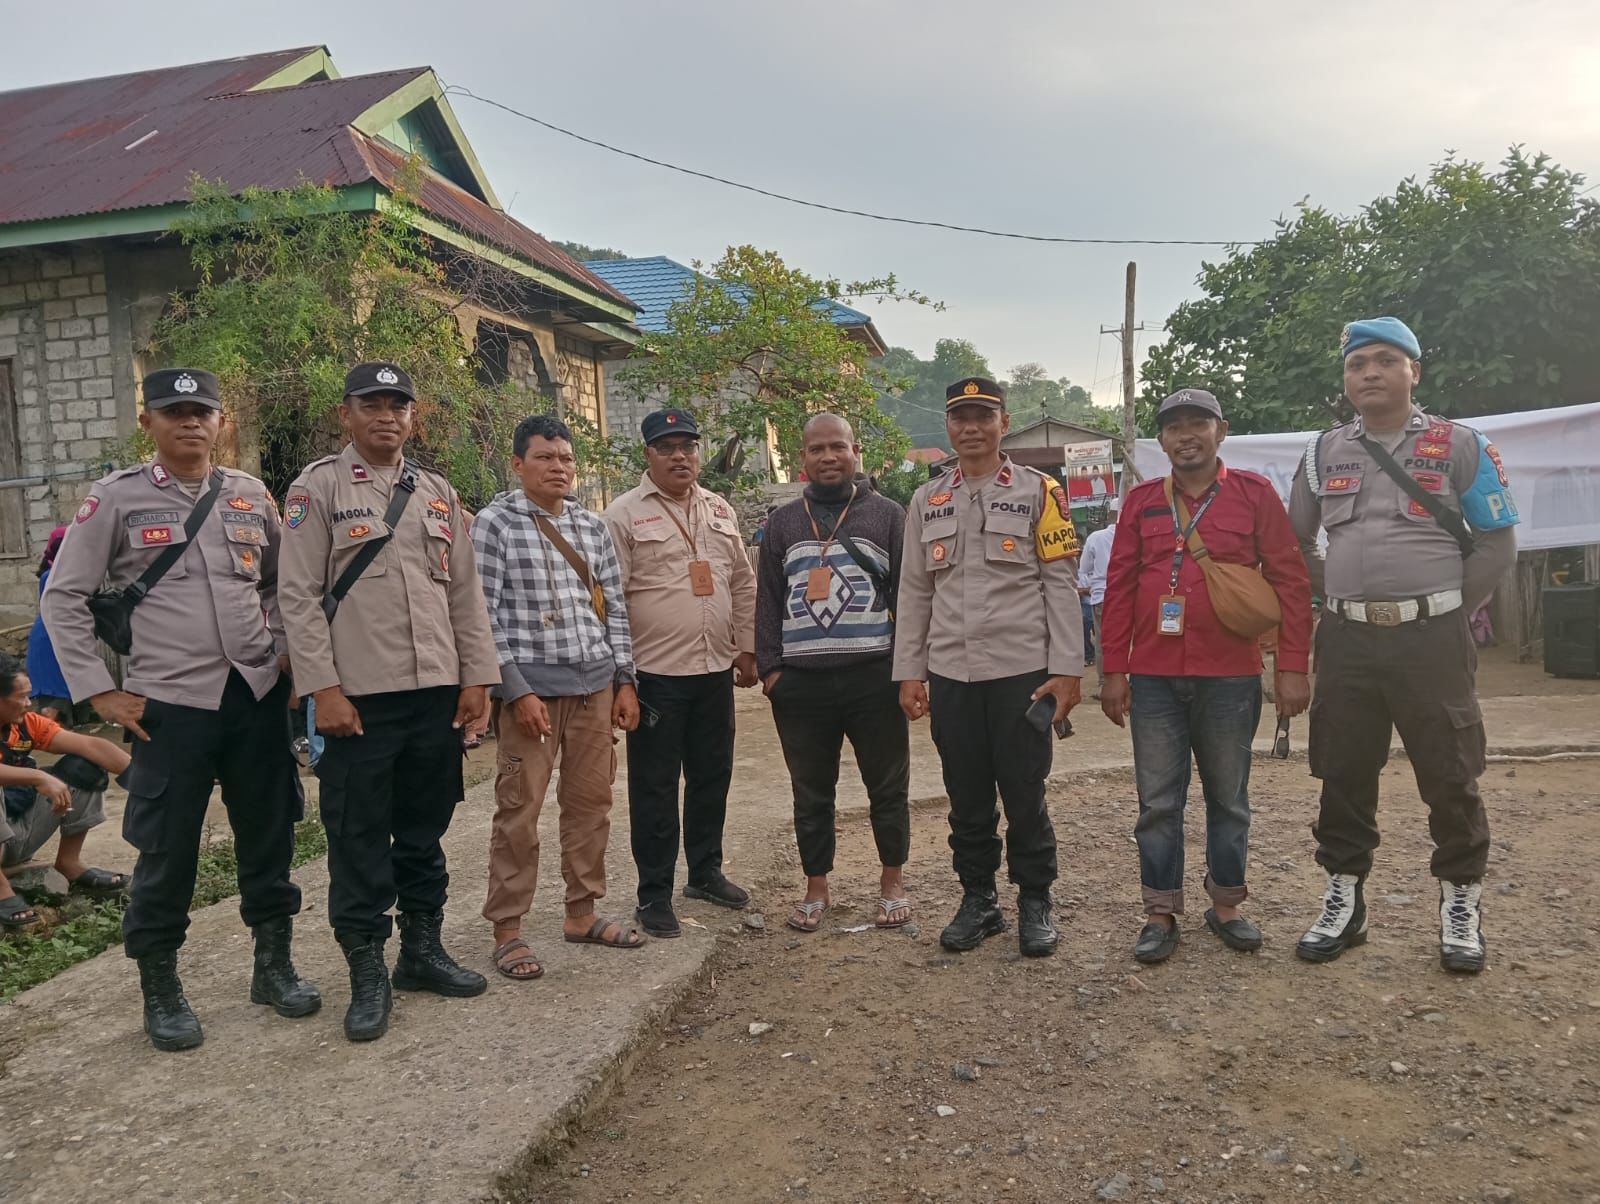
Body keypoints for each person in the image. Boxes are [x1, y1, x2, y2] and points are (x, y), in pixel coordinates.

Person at [41, 368, 318, 1051]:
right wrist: (97, 690)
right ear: (150, 423)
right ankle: (161, 989)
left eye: (202, 411)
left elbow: (285, 585)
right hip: (166, 704)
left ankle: (273, 966)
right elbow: (64, 597)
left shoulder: (251, 495)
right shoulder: (116, 499)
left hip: (252, 697)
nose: (190, 422)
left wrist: (284, 654)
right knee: (167, 849)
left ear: (222, 421)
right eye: (175, 412)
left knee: (269, 834)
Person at [1289, 318, 1518, 974]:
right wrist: (1344, 596)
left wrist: (1445, 607)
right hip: (1347, 638)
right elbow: (1296, 541)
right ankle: (1343, 900)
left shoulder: (1460, 445)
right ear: (1346, 376)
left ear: (1414, 370)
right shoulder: (1321, 452)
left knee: (1450, 773)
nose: (1369, 373)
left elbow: (1498, 540)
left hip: (1432, 642)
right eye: (1358, 363)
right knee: (1342, 771)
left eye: (1386, 360)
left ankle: (1459, 905)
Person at [278, 361, 499, 1041]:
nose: (386, 416)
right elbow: (298, 597)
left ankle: (422, 952)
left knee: (425, 830)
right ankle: (367, 971)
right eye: (371, 404)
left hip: (433, 696)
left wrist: (476, 679)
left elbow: (463, 593)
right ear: (345, 414)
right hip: (358, 702)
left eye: (397, 405)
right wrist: (324, 690)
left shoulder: (435, 492)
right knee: (358, 838)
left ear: (414, 416)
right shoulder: (317, 489)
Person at [1099, 389, 1313, 963]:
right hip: (1153, 677)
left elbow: (1291, 581)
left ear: (1221, 430)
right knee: (1159, 802)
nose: (1185, 435)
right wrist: (1112, 670)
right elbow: (1116, 588)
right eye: (1173, 427)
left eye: (1198, 423)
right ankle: (1160, 912)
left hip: (1231, 675)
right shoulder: (1142, 501)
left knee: (1229, 797)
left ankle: (1227, 905)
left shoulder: (1254, 495)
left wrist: (1292, 667)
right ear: (1161, 440)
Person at [893, 377, 1084, 958]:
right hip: (952, 674)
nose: (971, 427)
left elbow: (1060, 583)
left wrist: (1069, 670)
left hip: (1022, 674)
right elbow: (914, 591)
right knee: (966, 796)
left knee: (1025, 793)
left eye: (983, 415)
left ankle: (1034, 902)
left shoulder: (1040, 492)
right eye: (960, 417)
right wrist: (910, 671)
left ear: (1005, 420)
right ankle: (978, 900)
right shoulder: (928, 500)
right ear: (948, 426)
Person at [471, 414, 643, 981]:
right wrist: (514, 689)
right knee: (519, 811)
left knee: (591, 806)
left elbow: (613, 609)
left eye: (566, 459)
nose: (558, 468)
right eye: (545, 458)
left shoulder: (592, 528)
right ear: (518, 464)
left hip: (595, 688)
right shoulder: (495, 524)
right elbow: (484, 616)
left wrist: (625, 680)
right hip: (533, 696)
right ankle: (509, 929)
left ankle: (582, 911)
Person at [604, 409, 759, 938]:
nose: (679, 456)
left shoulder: (719, 509)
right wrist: (622, 678)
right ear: (647, 454)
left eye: (688, 446)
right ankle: (654, 894)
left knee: (713, 774)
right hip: (655, 675)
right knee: (654, 786)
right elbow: (611, 604)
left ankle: (706, 872)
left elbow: (741, 582)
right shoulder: (622, 515)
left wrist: (747, 648)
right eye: (666, 447)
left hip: (714, 668)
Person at [756, 414, 910, 933]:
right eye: (816, 449)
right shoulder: (782, 523)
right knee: (812, 791)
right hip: (802, 686)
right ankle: (816, 887)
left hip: (874, 677)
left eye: (837, 447)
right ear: (801, 457)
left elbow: (910, 598)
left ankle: (892, 882)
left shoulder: (888, 515)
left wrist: (909, 670)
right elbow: (768, 600)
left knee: (887, 786)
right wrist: (773, 672)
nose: (827, 457)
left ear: (855, 450)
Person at [0, 652, 130, 928]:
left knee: (85, 766)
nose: (28, 704)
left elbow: (92, 746)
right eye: (20, 697)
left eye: (29, 695)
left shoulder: (24, 725)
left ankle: (69, 863)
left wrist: (148, 781)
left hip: (17, 833)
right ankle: (2, 889)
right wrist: (38, 776)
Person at [26, 527, 72, 721]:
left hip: (55, 638)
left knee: (59, 694)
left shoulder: (56, 573)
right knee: (53, 699)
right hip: (50, 642)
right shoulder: (52, 576)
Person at [1078, 498, 1120, 675]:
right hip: (1133, 597)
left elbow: (1084, 569)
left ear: (1111, 514)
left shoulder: (1096, 537)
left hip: (1103, 598)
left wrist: (1090, 585)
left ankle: (1105, 684)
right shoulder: (1138, 534)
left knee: (1104, 643)